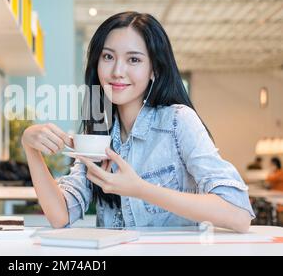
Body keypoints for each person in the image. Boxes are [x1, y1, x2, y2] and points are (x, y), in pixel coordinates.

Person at [21, 12, 255, 233]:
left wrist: (140, 190)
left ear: (154, 69)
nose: (117, 71)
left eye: (133, 59)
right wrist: (30, 147)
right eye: (108, 57)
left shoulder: (177, 121)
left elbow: (239, 214)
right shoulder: (99, 133)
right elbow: (59, 215)